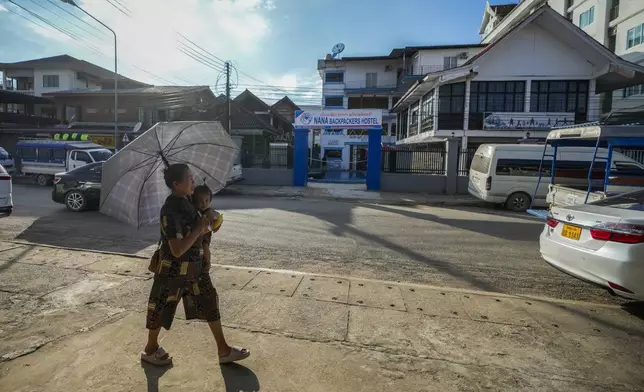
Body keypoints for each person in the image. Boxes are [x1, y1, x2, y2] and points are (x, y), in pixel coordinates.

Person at [141, 163, 249, 366]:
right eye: (189, 179)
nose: (193, 182)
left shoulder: (188, 202)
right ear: (176, 184)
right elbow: (177, 249)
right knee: (161, 307)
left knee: (209, 301)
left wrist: (211, 224)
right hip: (172, 270)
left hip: (195, 268)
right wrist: (200, 228)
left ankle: (223, 350)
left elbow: (201, 225)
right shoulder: (170, 210)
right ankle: (150, 349)